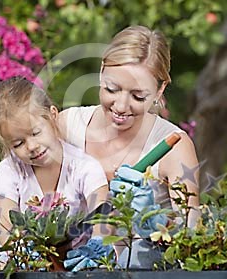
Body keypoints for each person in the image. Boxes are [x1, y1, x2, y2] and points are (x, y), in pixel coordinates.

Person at [58, 25, 201, 268]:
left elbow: (193, 244)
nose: (122, 106)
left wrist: (154, 223)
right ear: (102, 72)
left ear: (159, 90)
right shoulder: (67, 127)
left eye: (138, 96)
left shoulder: (174, 146)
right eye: (112, 89)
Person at [0, 76, 112, 270]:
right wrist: (23, 256)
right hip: (23, 267)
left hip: (75, 266)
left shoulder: (83, 167)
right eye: (18, 143)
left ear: (53, 116)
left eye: (36, 133)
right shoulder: (10, 170)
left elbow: (102, 214)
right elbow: (6, 225)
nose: (31, 146)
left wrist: (98, 245)